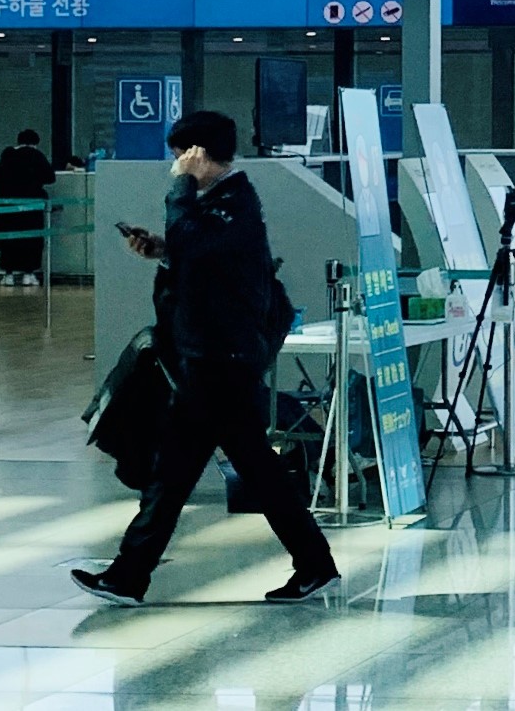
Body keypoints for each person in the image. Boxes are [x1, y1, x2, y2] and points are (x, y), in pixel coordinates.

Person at [72, 110, 339, 608]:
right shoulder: (220, 204)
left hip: (222, 361)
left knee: (211, 472)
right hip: (210, 358)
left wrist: (180, 189)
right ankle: (130, 575)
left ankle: (131, 576)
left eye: (180, 154)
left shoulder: (232, 200)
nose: (174, 163)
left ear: (197, 154)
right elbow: (199, 257)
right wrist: (161, 251)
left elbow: (196, 240)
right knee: (195, 472)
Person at [0, 127, 58, 283]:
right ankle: (28, 274)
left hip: (6, 208)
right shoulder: (36, 156)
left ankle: (8, 275)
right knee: (30, 241)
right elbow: (50, 177)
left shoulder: (6, 156)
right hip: (31, 208)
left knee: (9, 240)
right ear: (35, 143)